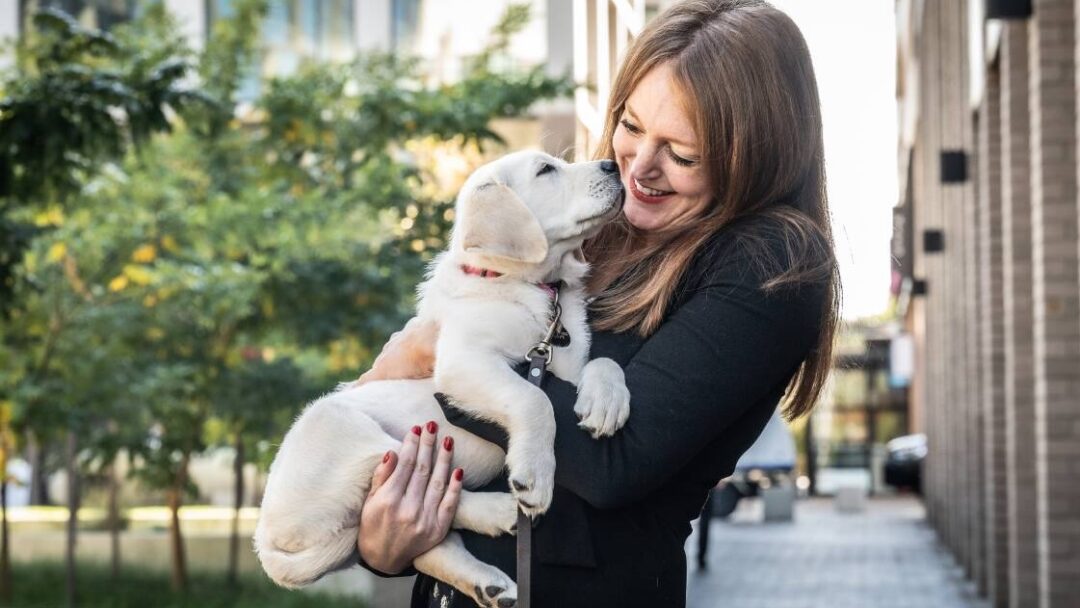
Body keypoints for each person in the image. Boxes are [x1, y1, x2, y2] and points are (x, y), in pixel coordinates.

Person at [353, 1, 839, 606]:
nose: (640, 168)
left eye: (682, 155)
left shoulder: (772, 263)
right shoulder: (587, 224)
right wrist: (385, 541)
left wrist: (446, 359)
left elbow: (615, 466)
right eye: (631, 126)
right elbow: (438, 449)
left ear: (755, 156)